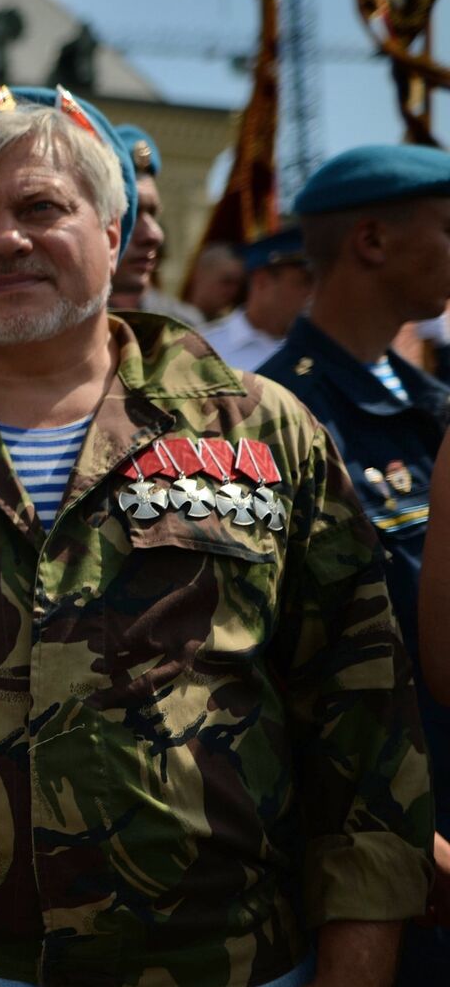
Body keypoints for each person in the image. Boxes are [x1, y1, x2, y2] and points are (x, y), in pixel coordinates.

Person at [0, 86, 433, 986]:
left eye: (41, 208)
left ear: (112, 234)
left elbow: (362, 704)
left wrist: (362, 940)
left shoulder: (262, 432)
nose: (5, 240)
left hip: (229, 956)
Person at [258, 144, 450, 986]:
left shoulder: (425, 402)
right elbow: (273, 670)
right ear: (371, 240)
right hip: (381, 837)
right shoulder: (279, 419)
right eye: (448, 229)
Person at [106, 125, 204, 326]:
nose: (155, 235)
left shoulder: (184, 326)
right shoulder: (52, 330)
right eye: (129, 214)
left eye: (153, 214)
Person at [198, 228, 311, 372]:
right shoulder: (204, 349)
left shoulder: (315, 351)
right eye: (304, 282)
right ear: (261, 281)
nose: (311, 293)